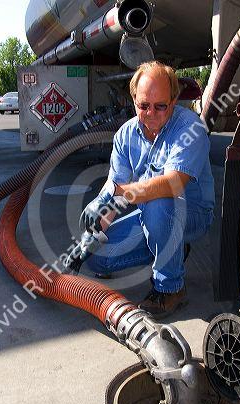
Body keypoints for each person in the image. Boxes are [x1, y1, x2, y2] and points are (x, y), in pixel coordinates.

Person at [80, 61, 215, 319]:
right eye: (143, 106)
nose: (151, 113)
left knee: (158, 199)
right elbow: (116, 188)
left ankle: (170, 288)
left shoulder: (190, 128)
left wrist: (122, 192)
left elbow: (172, 184)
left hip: (192, 213)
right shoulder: (125, 135)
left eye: (160, 106)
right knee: (97, 257)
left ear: (174, 100)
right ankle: (172, 249)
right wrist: (101, 215)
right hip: (153, 215)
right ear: (133, 101)